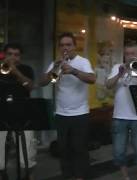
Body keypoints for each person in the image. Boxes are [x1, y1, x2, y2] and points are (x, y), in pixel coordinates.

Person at [40, 32, 96, 180]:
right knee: (63, 149)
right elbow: (43, 82)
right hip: (61, 113)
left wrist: (73, 71)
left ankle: (80, 177)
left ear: (74, 46)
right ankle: (68, 176)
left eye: (68, 45)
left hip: (80, 114)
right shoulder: (56, 63)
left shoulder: (83, 62)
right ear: (59, 47)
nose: (65, 48)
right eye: (62, 45)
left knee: (79, 149)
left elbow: (92, 79)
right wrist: (55, 67)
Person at [106, 41, 137, 180]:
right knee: (119, 152)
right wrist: (119, 75)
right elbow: (108, 85)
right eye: (127, 54)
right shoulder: (118, 67)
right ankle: (125, 177)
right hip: (119, 116)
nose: (130, 56)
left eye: (133, 53)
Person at [0, 43, 36, 180]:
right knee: (0, 163)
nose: (13, 57)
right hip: (1, 117)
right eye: (10, 54)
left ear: (20, 57)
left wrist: (16, 72)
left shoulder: (26, 69)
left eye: (16, 55)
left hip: (24, 118)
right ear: (4, 55)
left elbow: (30, 87)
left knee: (26, 161)